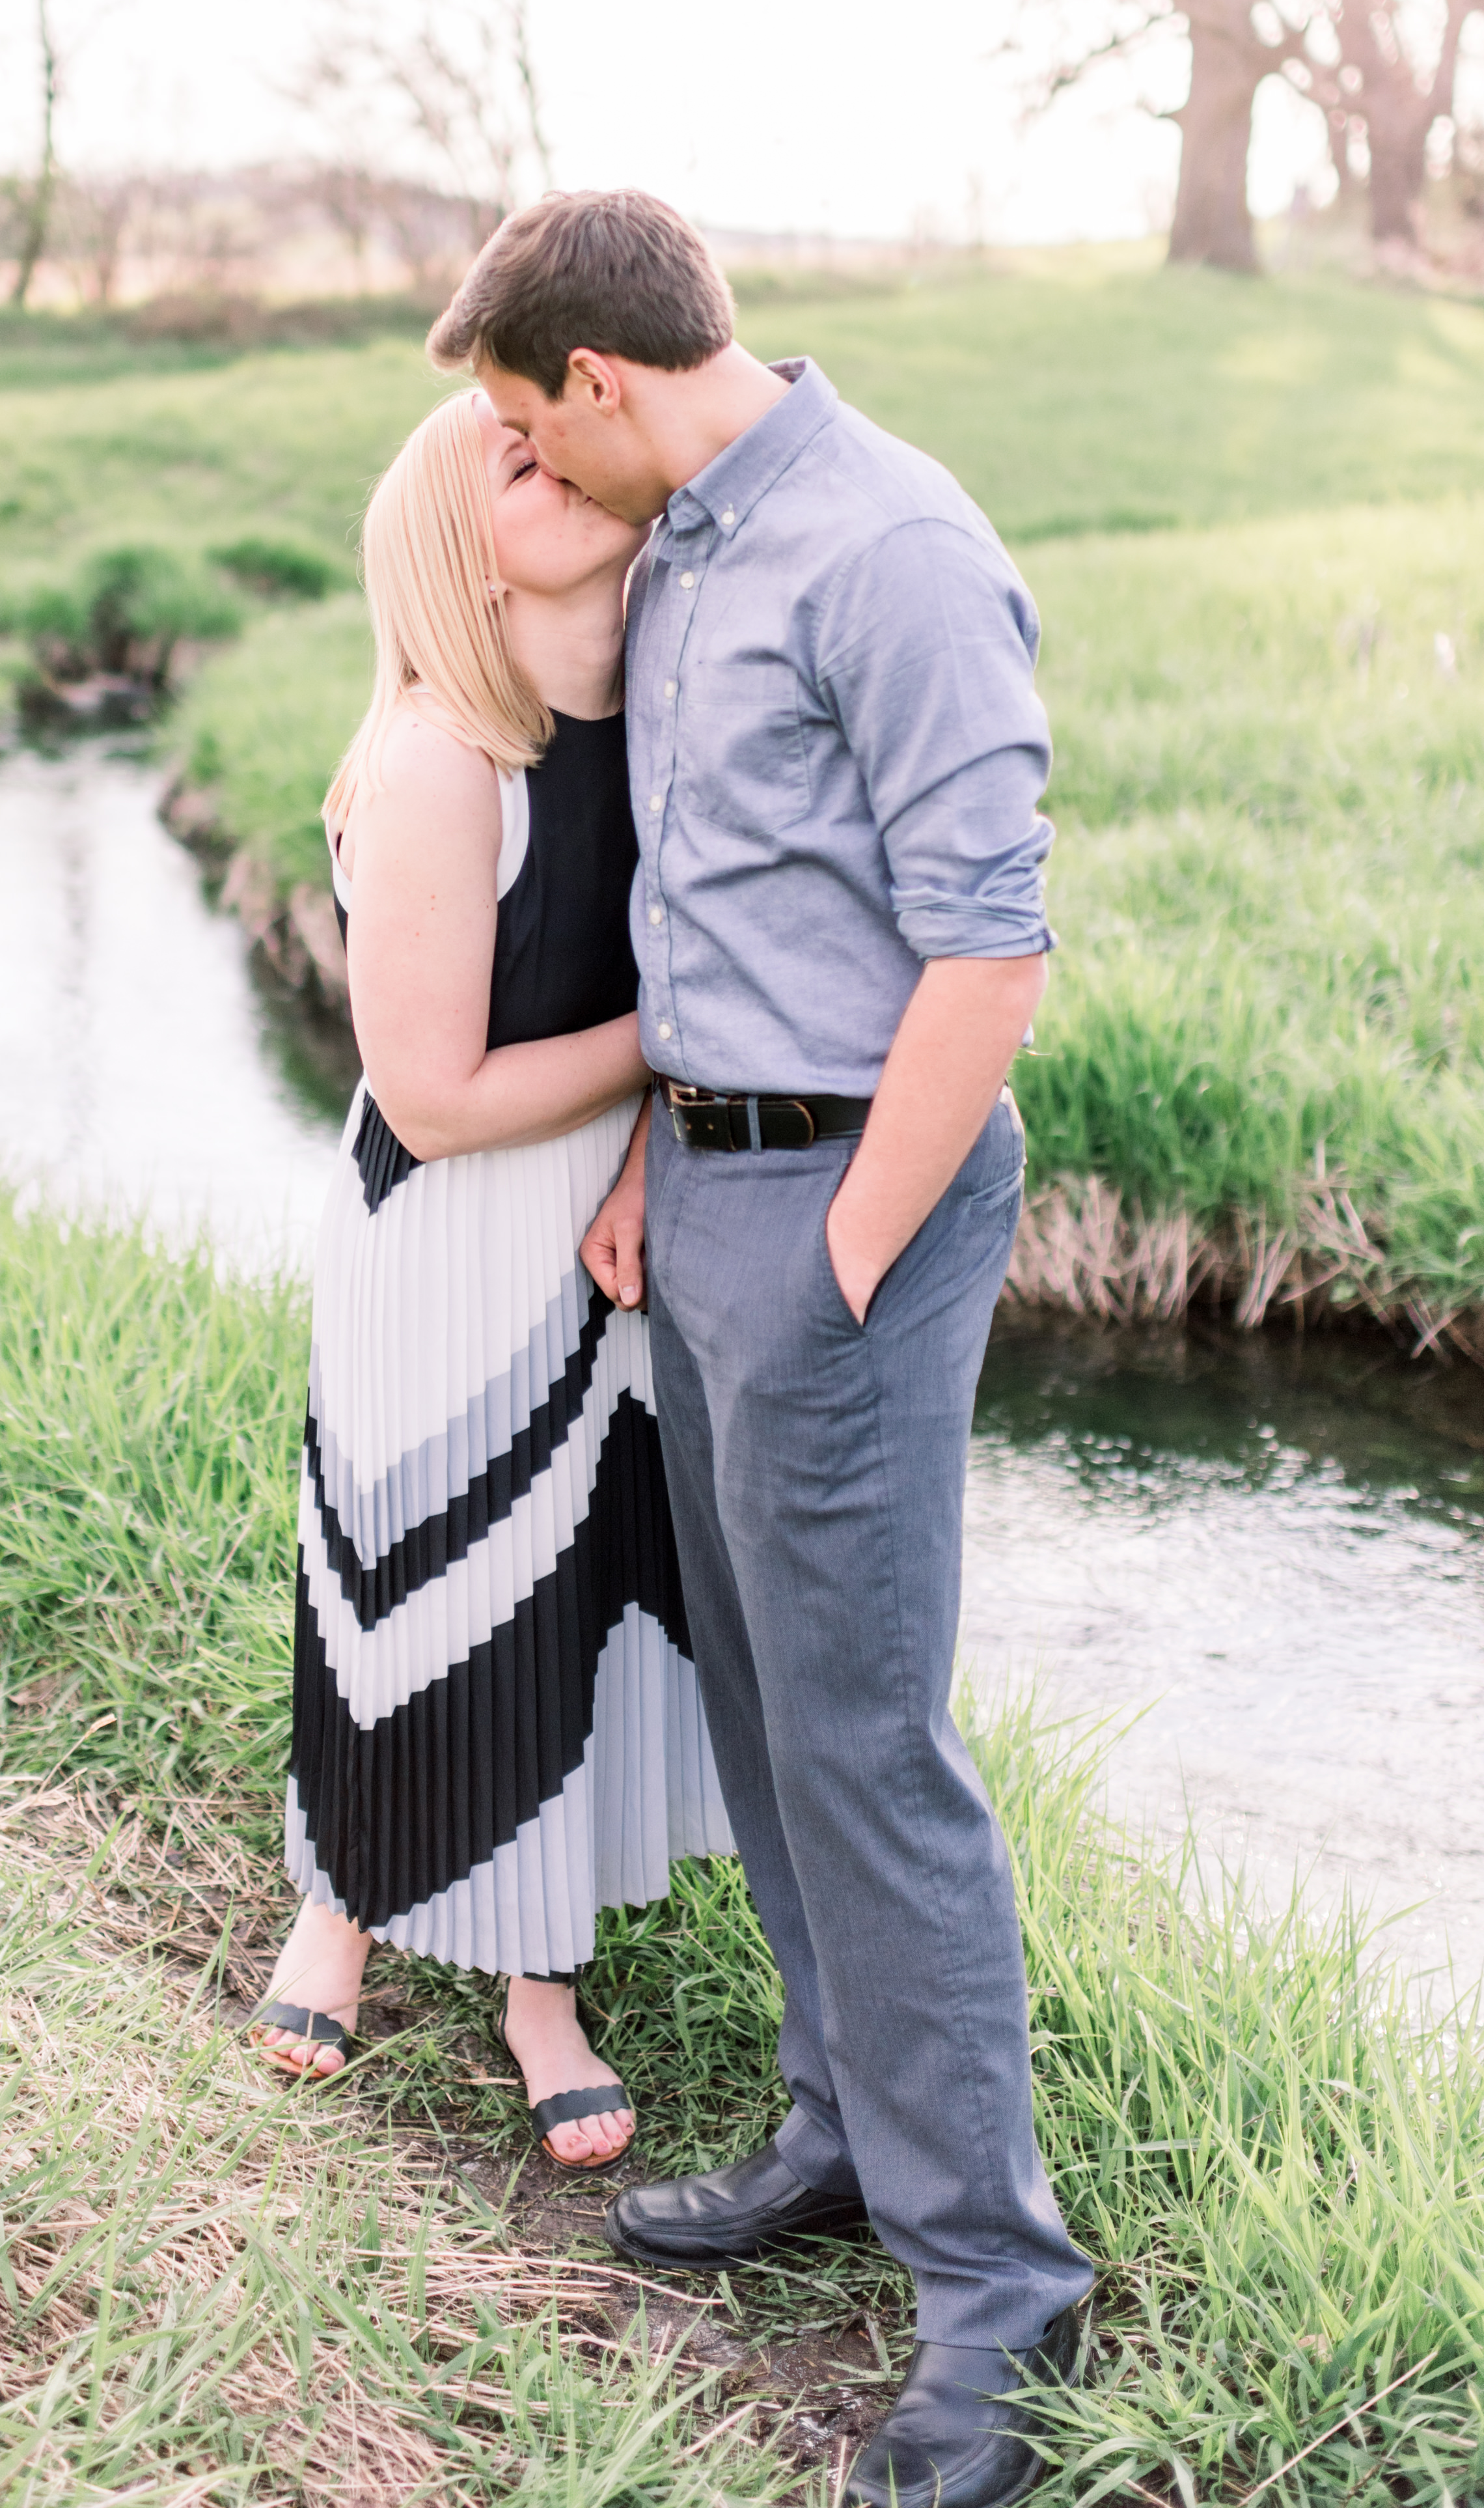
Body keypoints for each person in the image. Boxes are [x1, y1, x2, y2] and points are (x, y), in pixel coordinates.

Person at [429, 192, 1093, 2508]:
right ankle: (836, 2138)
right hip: (705, 1182)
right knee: (757, 1713)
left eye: (525, 423)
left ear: (598, 383)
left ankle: (999, 2303)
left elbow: (984, 962)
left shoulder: (888, 548)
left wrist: (831, 1260)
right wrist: (660, 1163)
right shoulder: (694, 533)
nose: (525, 460)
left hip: (847, 1212)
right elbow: (731, 902)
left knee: (867, 1749)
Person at [251, 387, 731, 2172]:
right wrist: (677, 1036)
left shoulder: (671, 721)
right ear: (450, 546)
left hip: (595, 1226)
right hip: (441, 1237)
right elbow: (438, 1099)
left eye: (552, 436)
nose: (541, 456)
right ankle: (341, 1906)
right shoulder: (441, 758)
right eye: (501, 460)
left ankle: (541, 1987)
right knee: (402, 1583)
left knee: (568, 1591)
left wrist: (638, 1152)